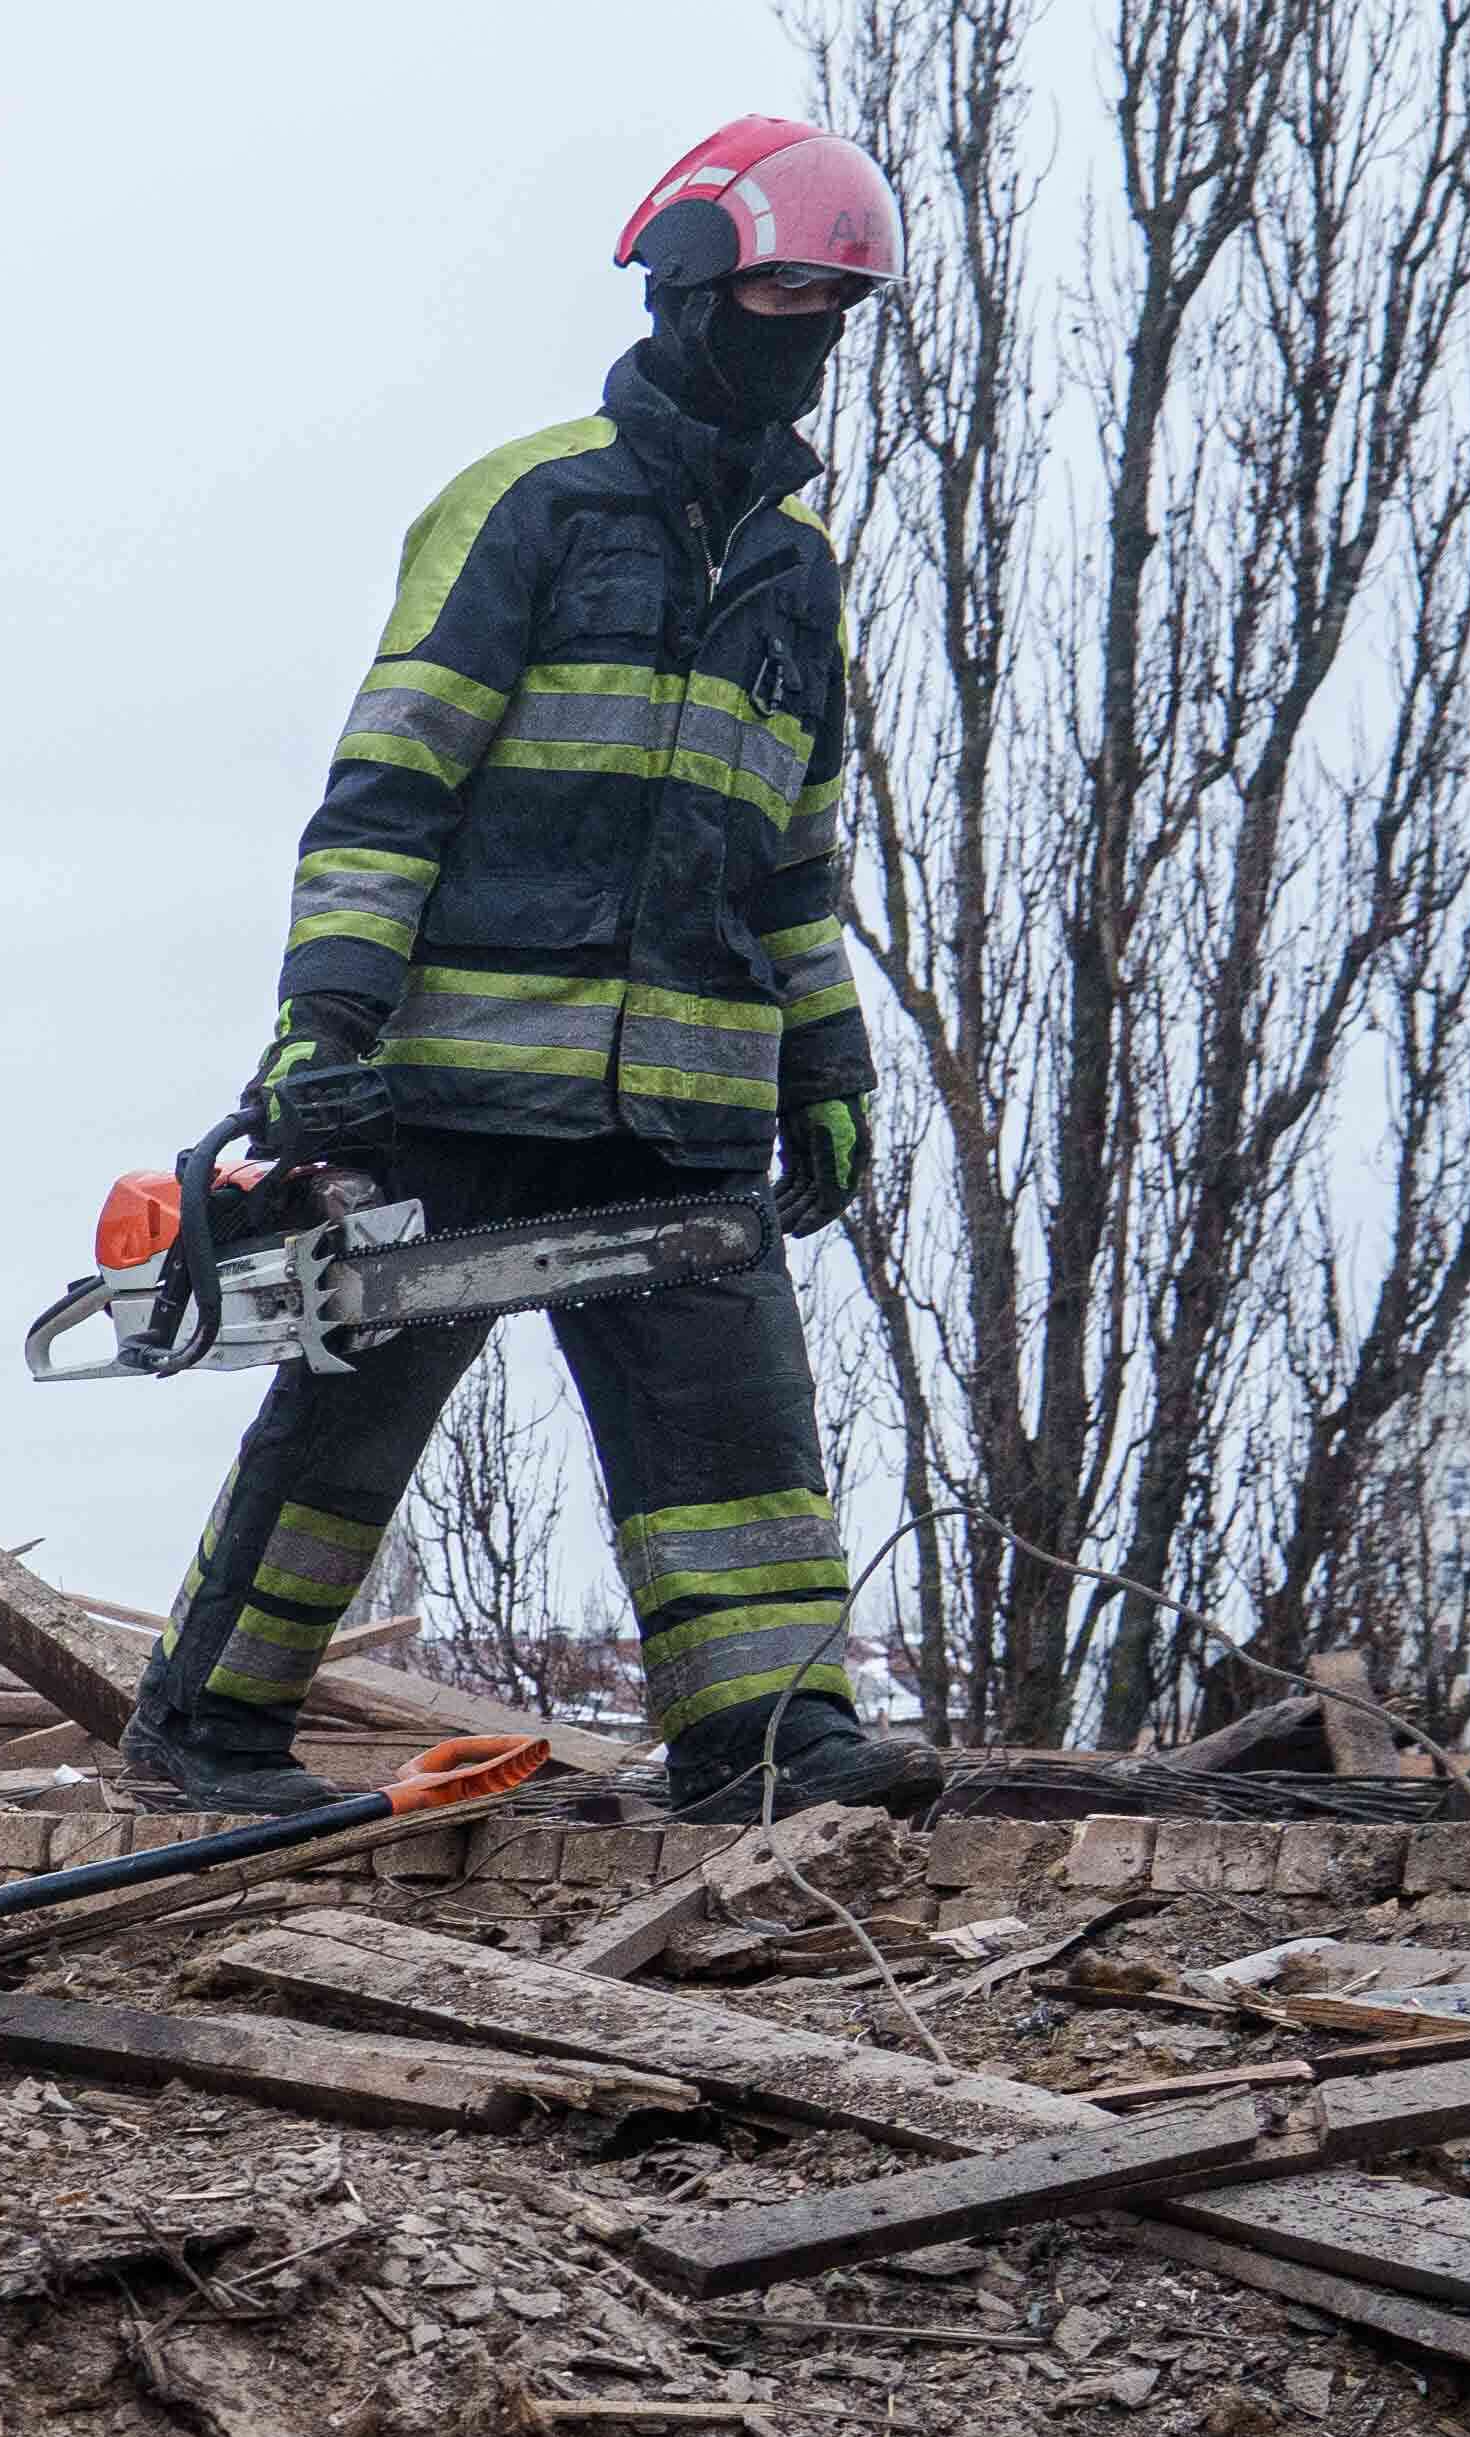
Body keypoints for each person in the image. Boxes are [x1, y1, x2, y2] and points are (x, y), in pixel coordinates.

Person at [135, 116, 919, 1827]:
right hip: (459, 1084)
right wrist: (323, 1022)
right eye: (786, 292)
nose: (806, 333)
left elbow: (795, 855)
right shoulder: (532, 505)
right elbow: (391, 780)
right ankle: (207, 1733)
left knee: (740, 1452)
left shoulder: (798, 572)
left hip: (687, 1108)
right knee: (352, 1422)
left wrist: (831, 1067)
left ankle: (772, 1748)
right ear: (694, 286)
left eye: (834, 308)